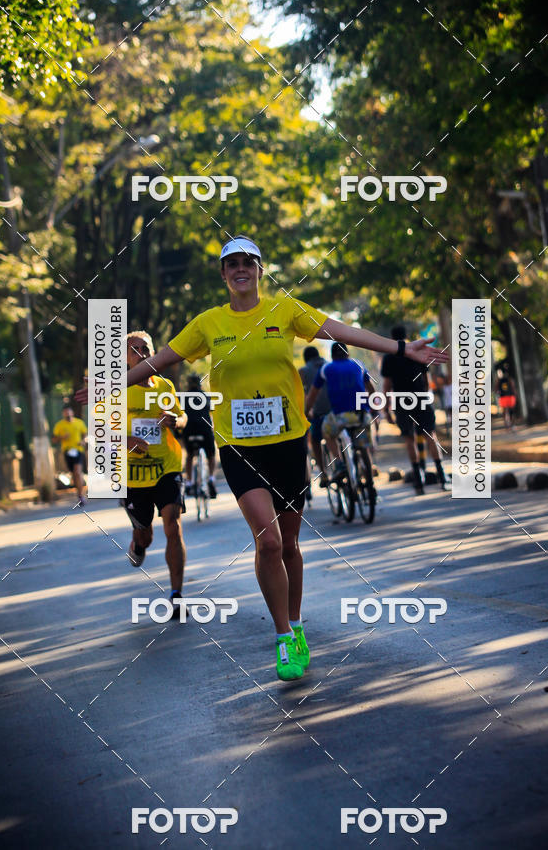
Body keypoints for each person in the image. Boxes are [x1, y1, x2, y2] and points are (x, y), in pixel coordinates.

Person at [124, 236, 449, 681]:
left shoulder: (285, 310)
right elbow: (159, 360)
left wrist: (398, 348)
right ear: (223, 274)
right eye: (231, 264)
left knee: (291, 545)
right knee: (269, 542)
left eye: (248, 263)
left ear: (259, 270)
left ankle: (296, 626)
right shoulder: (208, 323)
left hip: (288, 442)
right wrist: (109, 384)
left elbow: (341, 330)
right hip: (239, 447)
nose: (240, 269)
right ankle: (282, 637)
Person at [123, 331, 188, 617]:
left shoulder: (165, 386)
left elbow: (182, 417)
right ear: (124, 357)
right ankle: (138, 542)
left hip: (167, 466)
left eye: (145, 348)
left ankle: (176, 595)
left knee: (172, 524)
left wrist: (176, 420)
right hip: (133, 475)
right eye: (134, 350)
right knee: (147, 535)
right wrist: (127, 442)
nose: (140, 353)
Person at [381, 325, 450, 495]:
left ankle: (418, 482)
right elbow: (426, 379)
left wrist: (386, 408)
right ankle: (442, 476)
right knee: (430, 435)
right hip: (420, 397)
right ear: (406, 336)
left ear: (392, 337)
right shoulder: (416, 351)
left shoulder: (389, 357)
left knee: (409, 439)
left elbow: (387, 385)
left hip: (401, 400)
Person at [304, 342, 374, 481]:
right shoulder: (358, 364)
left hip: (340, 416)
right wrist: (372, 409)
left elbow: (312, 394)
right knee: (364, 447)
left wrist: (307, 410)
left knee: (327, 433)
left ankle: (339, 462)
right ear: (347, 353)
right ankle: (370, 481)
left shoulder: (326, 368)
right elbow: (371, 389)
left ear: (332, 355)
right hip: (362, 415)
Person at [181, 372, 218, 499]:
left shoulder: (183, 397)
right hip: (204, 430)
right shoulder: (205, 396)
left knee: (189, 456)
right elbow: (213, 412)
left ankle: (190, 483)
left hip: (189, 430)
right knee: (212, 455)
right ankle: (212, 479)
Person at [299, 346, 331, 488]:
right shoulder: (330, 365)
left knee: (316, 441)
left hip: (319, 414)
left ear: (306, 359)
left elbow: (300, 394)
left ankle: (323, 473)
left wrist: (306, 411)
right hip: (338, 411)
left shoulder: (304, 371)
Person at [52, 406, 87, 505]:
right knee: (74, 474)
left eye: (69, 412)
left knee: (77, 471)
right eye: (65, 413)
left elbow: (85, 434)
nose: (67, 414)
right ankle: (78, 493)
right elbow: (54, 439)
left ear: (72, 413)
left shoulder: (79, 422)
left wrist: (83, 441)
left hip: (78, 450)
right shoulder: (59, 425)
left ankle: (81, 495)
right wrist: (61, 437)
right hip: (67, 451)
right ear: (63, 414)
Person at [494, 365, 516, 429]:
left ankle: (507, 424)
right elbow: (513, 387)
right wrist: (515, 394)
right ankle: (510, 424)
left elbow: (496, 388)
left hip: (505, 396)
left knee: (506, 411)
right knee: (510, 411)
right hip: (508, 396)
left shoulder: (500, 379)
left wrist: (497, 392)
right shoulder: (508, 378)